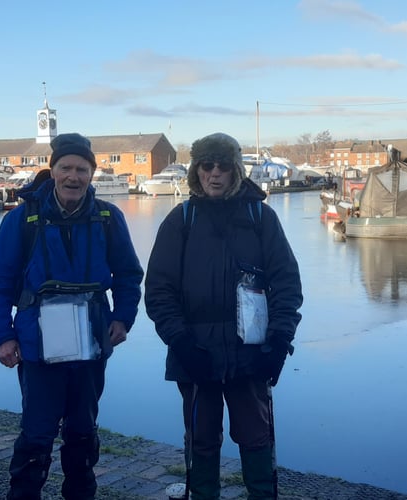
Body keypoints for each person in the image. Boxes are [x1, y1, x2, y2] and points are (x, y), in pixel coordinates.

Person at [0, 132, 144, 499]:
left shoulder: (109, 218)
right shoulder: (22, 220)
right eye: (66, 168)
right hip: (38, 347)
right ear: (52, 170)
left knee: (82, 432)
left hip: (91, 343)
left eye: (82, 170)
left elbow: (130, 274)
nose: (74, 177)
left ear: (92, 173)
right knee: (37, 434)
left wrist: (124, 317)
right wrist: (2, 336)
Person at [144, 132, 303, 499]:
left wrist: (279, 340)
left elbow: (287, 284)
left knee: (257, 437)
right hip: (196, 354)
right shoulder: (180, 221)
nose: (214, 174)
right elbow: (158, 291)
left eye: (223, 166)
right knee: (201, 441)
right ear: (196, 170)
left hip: (252, 352)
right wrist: (180, 342)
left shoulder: (260, 217)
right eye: (206, 165)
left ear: (236, 171)